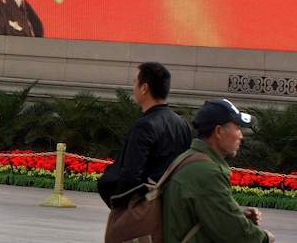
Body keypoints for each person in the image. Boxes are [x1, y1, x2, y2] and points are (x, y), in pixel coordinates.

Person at [163, 99, 274, 242]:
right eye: (238, 128)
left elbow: (206, 216)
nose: (241, 136)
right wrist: (264, 238)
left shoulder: (188, 158)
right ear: (219, 131)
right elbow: (235, 233)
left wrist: (236, 216)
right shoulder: (209, 173)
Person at [96, 62, 192, 206]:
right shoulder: (183, 125)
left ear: (144, 88)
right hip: (172, 209)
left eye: (135, 83)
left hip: (146, 210)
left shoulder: (145, 126)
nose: (133, 88)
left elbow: (130, 176)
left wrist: (119, 208)